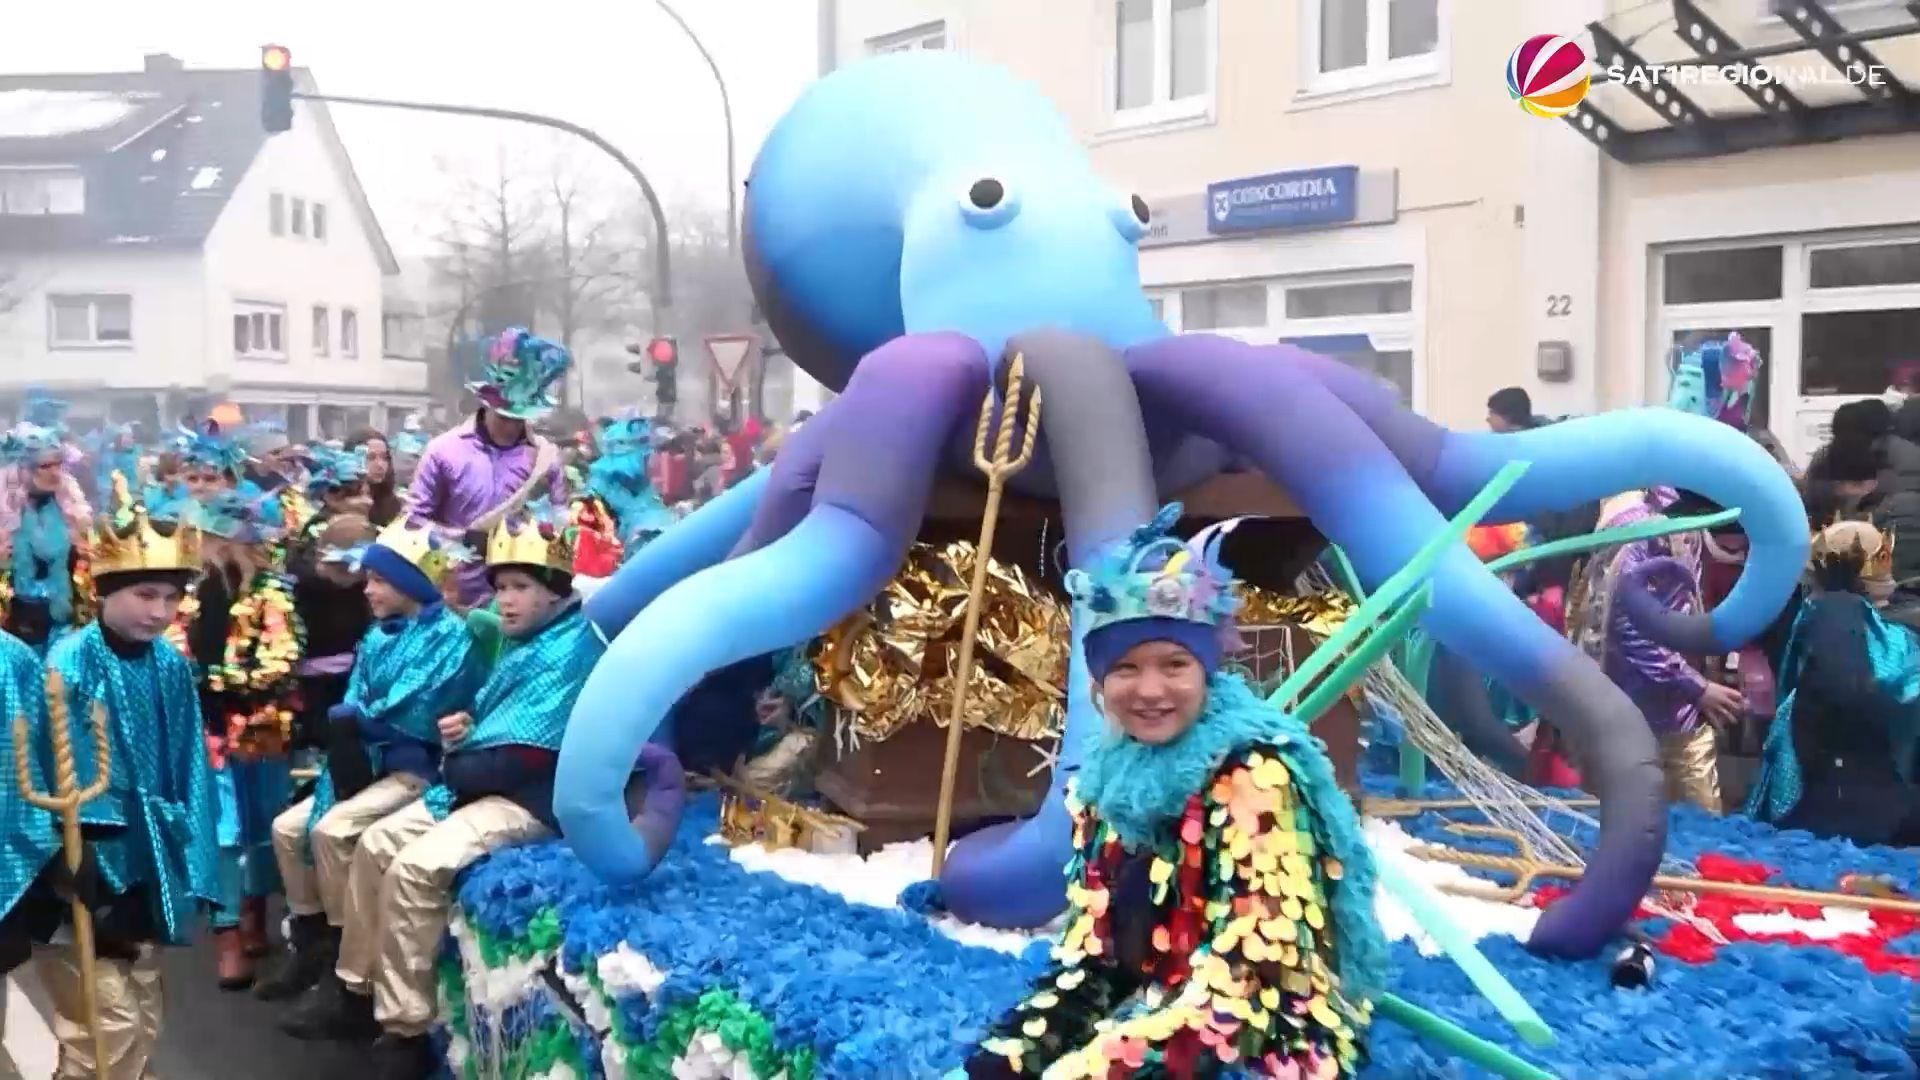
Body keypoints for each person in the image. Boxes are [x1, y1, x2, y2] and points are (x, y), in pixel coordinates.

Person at [965, 505, 1382, 1080]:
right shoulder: (1104, 781)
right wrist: (1020, 1048)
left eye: (1175, 664)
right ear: (1099, 682)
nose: (1150, 689)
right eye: (1126, 668)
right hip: (1159, 1006)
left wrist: (1090, 1068)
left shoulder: (1255, 778)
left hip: (1264, 1030)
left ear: (1207, 671)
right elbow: (1095, 956)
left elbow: (1250, 987)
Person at [336, 509, 644, 1077]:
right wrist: (466, 727)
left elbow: (527, 754)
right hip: (483, 782)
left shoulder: (570, 648)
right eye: (500, 587)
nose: (505, 600)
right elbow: (502, 726)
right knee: (375, 845)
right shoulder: (529, 639)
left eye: (520, 587)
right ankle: (359, 993)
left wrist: (461, 760)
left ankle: (405, 1033)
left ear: (554, 590)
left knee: (413, 869)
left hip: (533, 799)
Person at [23, 483, 219, 1078]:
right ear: (104, 590)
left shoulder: (170, 665)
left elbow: (188, 766)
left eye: (171, 597)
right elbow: (47, 768)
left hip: (148, 861)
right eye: (145, 594)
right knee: (104, 1028)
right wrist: (67, 858)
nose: (159, 612)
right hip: (83, 867)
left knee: (143, 1011)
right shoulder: (68, 664)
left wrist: (192, 861)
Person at [266, 519, 486, 1014]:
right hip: (366, 763)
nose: (368, 590)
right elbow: (356, 698)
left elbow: (415, 710)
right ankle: (313, 942)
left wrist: (359, 721)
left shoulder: (450, 637)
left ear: (411, 583)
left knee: (333, 831)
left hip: (417, 769)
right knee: (286, 829)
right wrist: (356, 722)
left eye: (380, 580)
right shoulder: (377, 635)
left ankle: (349, 971)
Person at [183, 486, 306, 989]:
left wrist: (220, 681)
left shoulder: (272, 594)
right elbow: (174, 650)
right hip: (207, 732)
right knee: (223, 832)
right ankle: (227, 932)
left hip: (261, 730)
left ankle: (255, 911)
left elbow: (281, 659)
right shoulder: (189, 595)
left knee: (263, 827)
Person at [1747, 521, 1920, 847]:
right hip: (1860, 799)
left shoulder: (1829, 613)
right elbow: (1852, 690)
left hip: (1846, 792)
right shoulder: (1845, 617)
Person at [1569, 488, 1734, 813]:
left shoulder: (1679, 513)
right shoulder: (1645, 528)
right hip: (1646, 710)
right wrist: (1697, 686)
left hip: (1660, 705)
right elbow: (1629, 627)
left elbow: (1682, 605)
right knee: (1674, 820)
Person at [405, 328, 567, 610]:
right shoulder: (443, 451)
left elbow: (560, 525)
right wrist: (463, 540)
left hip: (522, 608)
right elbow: (411, 523)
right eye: (505, 416)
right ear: (487, 402)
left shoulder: (546, 458)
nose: (512, 425)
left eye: (519, 417)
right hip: (454, 603)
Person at [284, 446, 377, 756]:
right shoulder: (314, 541)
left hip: (351, 660)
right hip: (319, 667)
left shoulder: (363, 532)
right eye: (357, 493)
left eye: (367, 492)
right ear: (331, 497)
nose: (367, 500)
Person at [0, 415, 92, 654]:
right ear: (20, 470)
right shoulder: (5, 513)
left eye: (58, 465)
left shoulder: (68, 508)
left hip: (62, 628)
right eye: (44, 466)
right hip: (12, 636)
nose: (55, 473)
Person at [345, 429, 403, 526]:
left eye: (384, 457)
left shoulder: (394, 504)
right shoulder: (338, 503)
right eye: (371, 458)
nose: (380, 465)